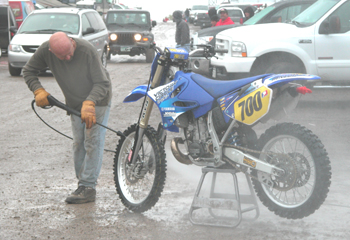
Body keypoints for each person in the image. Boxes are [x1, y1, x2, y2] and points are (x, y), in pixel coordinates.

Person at [23, 32, 112, 204]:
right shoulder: (44, 51)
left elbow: (102, 83)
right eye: (62, 56)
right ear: (51, 51)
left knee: (92, 142)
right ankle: (82, 184)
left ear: (72, 42)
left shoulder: (87, 51)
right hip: (74, 103)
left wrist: (90, 102)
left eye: (69, 52)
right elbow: (28, 71)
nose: (68, 57)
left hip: (97, 100)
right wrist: (38, 90)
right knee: (79, 143)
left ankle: (88, 187)